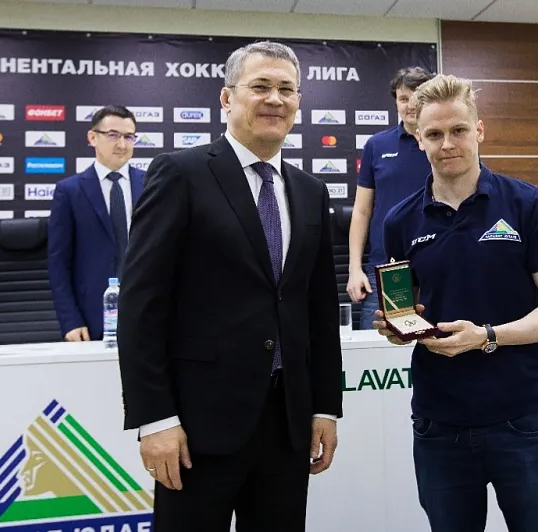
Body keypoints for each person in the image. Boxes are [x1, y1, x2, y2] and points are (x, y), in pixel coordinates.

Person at [116, 41, 343, 532]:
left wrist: (326, 406)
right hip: (197, 429)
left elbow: (320, 310)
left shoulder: (310, 190)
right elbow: (141, 306)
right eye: (260, 86)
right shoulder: (181, 174)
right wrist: (155, 419)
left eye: (286, 89)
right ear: (226, 98)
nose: (275, 99)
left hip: (287, 426)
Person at [375, 74, 538, 532]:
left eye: (459, 130)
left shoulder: (526, 204)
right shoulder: (399, 221)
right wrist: (396, 328)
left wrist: (486, 336)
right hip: (438, 424)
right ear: (418, 138)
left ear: (479, 130)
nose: (447, 144)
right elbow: (405, 313)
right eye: (434, 134)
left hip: (520, 418)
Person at [346, 66, 434, 329]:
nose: (411, 105)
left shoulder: (445, 144)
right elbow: (362, 211)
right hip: (388, 269)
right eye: (404, 98)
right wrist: (354, 269)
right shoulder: (377, 145)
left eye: (418, 97)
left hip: (437, 264)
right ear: (396, 102)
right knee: (380, 345)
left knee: (441, 342)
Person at [48, 105, 144, 342]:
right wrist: (70, 320)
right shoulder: (69, 191)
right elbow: (58, 263)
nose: (122, 144)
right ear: (92, 138)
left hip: (146, 312)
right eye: (113, 135)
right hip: (91, 318)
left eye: (129, 137)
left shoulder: (152, 184)